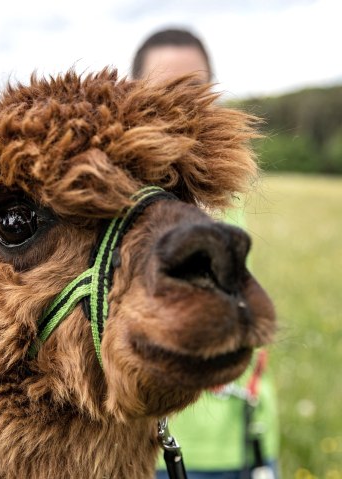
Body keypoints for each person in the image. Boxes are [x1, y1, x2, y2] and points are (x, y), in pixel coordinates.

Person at [131, 28, 280, 479]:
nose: (181, 110)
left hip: (243, 440)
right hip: (153, 450)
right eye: (162, 92)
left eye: (195, 91)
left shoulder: (230, 189)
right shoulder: (119, 204)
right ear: (133, 92)